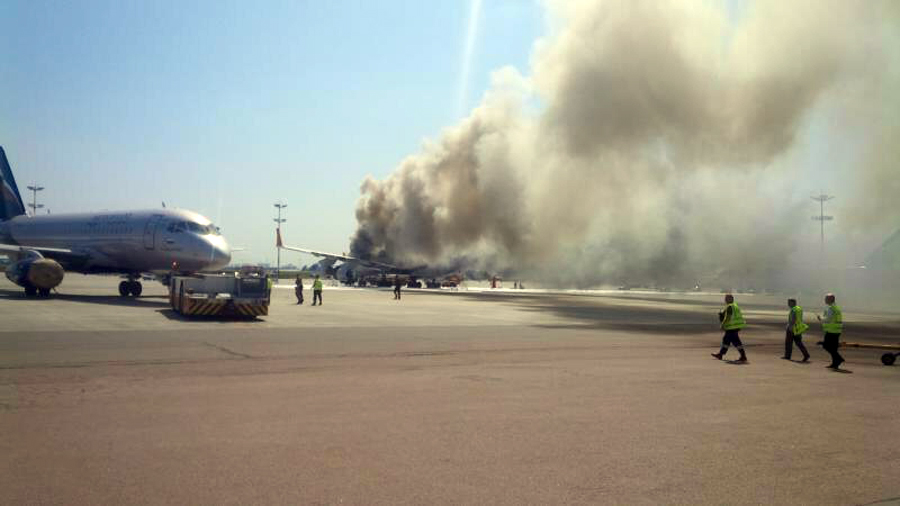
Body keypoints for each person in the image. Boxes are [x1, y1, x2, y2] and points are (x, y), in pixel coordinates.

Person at [711, 294, 748, 362]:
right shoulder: (735, 305)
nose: (725, 300)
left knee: (736, 342)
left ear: (730, 299)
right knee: (726, 340)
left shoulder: (730, 307)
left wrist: (722, 324)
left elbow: (728, 317)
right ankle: (720, 354)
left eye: (726, 298)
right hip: (735, 326)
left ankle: (743, 356)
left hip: (732, 327)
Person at [816, 293, 844, 369]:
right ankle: (835, 363)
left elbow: (828, 319)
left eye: (826, 299)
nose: (825, 300)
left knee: (826, 346)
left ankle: (839, 359)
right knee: (833, 348)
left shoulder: (831, 308)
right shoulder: (836, 307)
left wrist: (820, 319)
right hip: (836, 330)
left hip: (831, 330)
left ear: (831, 299)